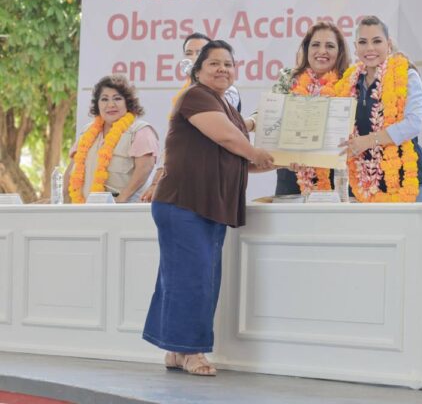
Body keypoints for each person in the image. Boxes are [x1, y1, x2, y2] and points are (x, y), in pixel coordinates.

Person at [142, 40, 274, 376]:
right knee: (194, 279)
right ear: (198, 70)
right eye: (214, 63)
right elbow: (230, 140)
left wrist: (280, 161)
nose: (222, 69)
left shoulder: (225, 106)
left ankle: (175, 350)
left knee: (185, 277)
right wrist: (255, 152)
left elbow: (237, 160)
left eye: (228, 64)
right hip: (185, 202)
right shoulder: (196, 96)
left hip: (205, 205)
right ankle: (192, 352)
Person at [336, 15, 422, 202]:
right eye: (363, 42)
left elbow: (413, 124)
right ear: (355, 47)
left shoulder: (407, 75)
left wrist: (368, 141)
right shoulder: (349, 82)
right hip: (363, 184)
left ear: (388, 45)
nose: (370, 48)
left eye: (376, 41)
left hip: (407, 180)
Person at [140, 33, 242, 202]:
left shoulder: (226, 92)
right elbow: (173, 144)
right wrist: (156, 182)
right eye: (189, 53)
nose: (193, 58)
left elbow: (223, 135)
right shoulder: (187, 93)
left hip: (212, 178)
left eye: (199, 53)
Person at [263, 21, 351, 195]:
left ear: (339, 52)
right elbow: (268, 113)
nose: (322, 51)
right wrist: (251, 123)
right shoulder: (289, 78)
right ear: (306, 49)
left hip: (334, 174)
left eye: (330, 46)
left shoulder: (349, 82)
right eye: (315, 45)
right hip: (291, 170)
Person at [64, 74, 159, 203]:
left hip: (124, 210)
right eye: (104, 99)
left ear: (127, 102)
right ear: (97, 105)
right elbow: (71, 171)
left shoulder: (140, 130)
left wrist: (121, 199)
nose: (110, 104)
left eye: (117, 98)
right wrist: (59, 201)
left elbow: (145, 168)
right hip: (85, 209)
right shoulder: (87, 132)